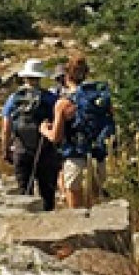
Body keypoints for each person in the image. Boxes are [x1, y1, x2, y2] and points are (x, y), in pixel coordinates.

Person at [0, 58, 61, 211]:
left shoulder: (14, 98)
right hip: (46, 151)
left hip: (21, 149)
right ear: (40, 77)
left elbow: (6, 127)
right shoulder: (51, 99)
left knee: (24, 192)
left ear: (25, 77)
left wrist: (5, 149)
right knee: (47, 194)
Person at [53, 55, 113, 209]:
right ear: (86, 74)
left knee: (76, 211)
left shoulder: (64, 103)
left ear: (66, 76)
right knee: (96, 205)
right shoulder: (98, 97)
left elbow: (56, 137)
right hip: (98, 156)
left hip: (75, 155)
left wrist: (44, 130)